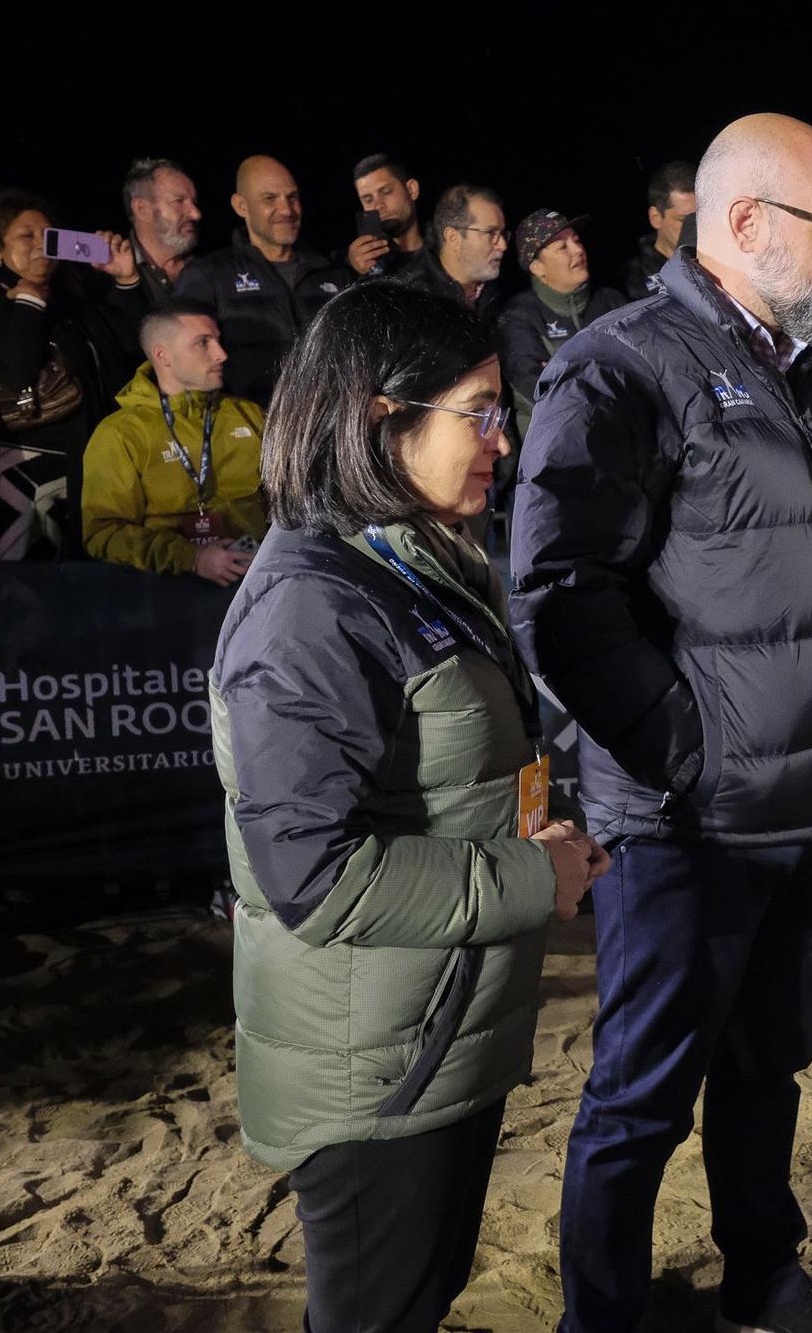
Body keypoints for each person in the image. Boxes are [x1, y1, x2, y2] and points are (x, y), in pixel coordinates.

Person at [512, 112, 812, 1333]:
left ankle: (762, 1274)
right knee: (640, 1097)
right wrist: (687, 751)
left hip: (809, 802)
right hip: (685, 820)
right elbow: (562, 594)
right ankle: (603, 1313)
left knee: (765, 1065)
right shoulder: (619, 364)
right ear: (741, 224)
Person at [212, 279, 608, 1333]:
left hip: (434, 1026)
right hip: (372, 1066)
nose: (500, 438)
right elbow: (310, 872)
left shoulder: (414, 559)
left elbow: (441, 781)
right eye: (476, 411)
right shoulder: (312, 603)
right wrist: (538, 876)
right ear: (381, 418)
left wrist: (539, 840)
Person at [0, 188, 147, 557]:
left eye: (48, 236)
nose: (40, 245)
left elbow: (135, 347)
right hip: (30, 461)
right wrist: (29, 301)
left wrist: (125, 280)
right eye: (25, 236)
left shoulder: (71, 294)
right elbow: (15, 371)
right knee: (30, 584)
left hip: (88, 456)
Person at [81, 299, 266, 583]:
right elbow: (103, 533)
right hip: (167, 594)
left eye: (218, 341)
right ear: (163, 355)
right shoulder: (121, 433)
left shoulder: (248, 415)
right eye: (203, 343)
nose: (221, 354)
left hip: (254, 581)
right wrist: (191, 557)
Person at [174, 156, 350, 405]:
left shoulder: (330, 272)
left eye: (292, 197)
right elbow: (184, 362)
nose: (287, 210)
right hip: (253, 430)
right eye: (270, 199)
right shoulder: (209, 275)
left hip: (327, 426)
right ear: (241, 206)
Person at [496, 209, 625, 438]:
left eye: (576, 240)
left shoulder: (611, 301)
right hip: (558, 449)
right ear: (537, 268)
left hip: (622, 439)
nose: (578, 250)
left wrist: (566, 372)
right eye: (562, 247)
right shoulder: (519, 316)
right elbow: (535, 386)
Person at [398, 185, 508, 318]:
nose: (503, 245)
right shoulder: (411, 297)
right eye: (491, 233)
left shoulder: (499, 295)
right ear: (453, 238)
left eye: (502, 233)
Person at [122, 158, 201, 305]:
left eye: (194, 202)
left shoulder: (210, 262)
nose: (196, 214)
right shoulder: (108, 275)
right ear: (142, 209)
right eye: (179, 201)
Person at [618, 159, 696, 301]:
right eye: (684, 220)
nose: (696, 227)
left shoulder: (721, 259)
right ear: (656, 218)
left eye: (700, 217)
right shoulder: (632, 283)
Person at [346, 153, 426, 277]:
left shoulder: (445, 250)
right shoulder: (351, 265)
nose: (378, 205)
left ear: (411, 190)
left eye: (386, 192)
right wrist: (354, 271)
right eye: (368, 200)